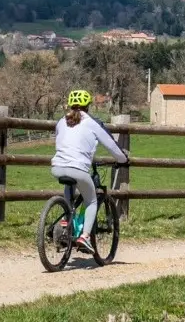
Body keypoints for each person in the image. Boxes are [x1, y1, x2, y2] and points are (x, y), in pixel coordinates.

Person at [51, 89, 129, 252]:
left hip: (57, 167)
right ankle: (85, 237)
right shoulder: (92, 123)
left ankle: (66, 219)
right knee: (92, 201)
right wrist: (123, 160)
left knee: (69, 184)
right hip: (78, 168)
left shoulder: (61, 121)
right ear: (88, 106)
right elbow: (110, 144)